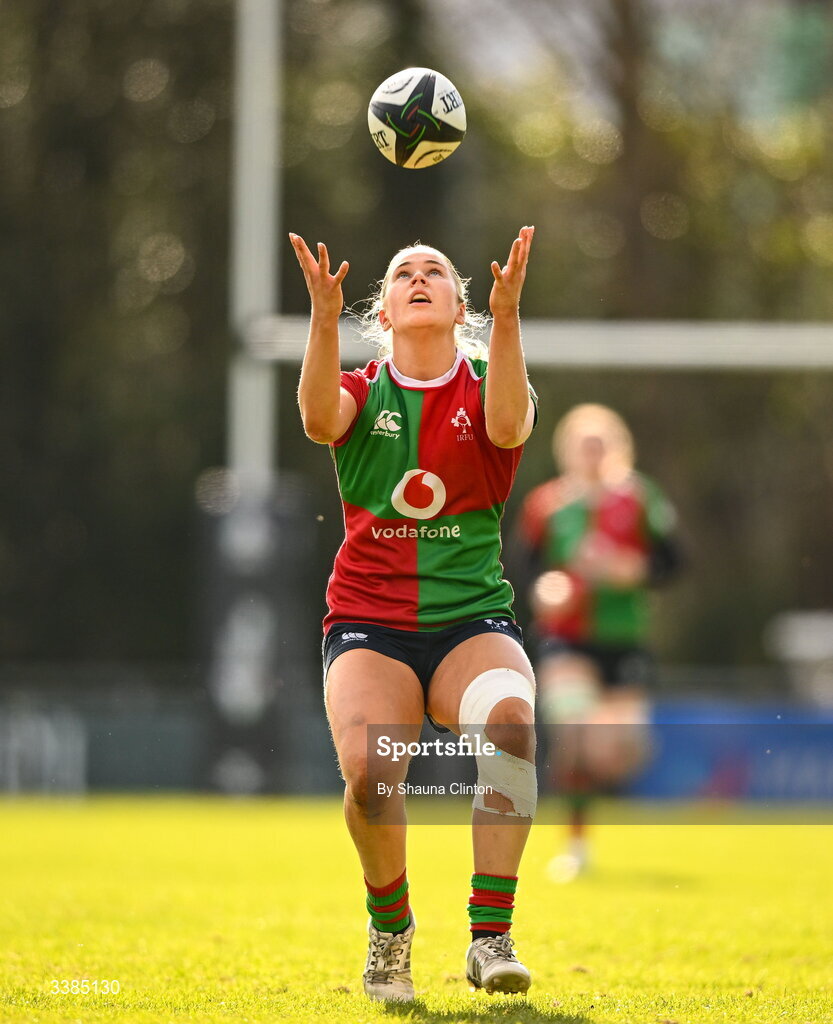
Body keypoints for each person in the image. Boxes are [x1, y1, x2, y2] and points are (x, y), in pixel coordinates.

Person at [289, 227, 538, 1001]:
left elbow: (505, 427)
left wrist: (505, 318)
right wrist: (323, 319)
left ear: (459, 304)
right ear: (386, 308)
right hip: (371, 621)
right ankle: (389, 933)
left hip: (470, 621)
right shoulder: (363, 390)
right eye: (404, 274)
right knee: (368, 773)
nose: (419, 277)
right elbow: (315, 421)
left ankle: (488, 936)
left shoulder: (490, 377)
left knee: (510, 728)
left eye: (435, 271)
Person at [513, 404, 682, 882]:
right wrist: (545, 589)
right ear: (565, 451)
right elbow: (524, 568)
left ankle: (595, 790)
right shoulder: (548, 505)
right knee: (575, 732)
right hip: (568, 641)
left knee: (619, 753)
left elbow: (675, 561)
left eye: (600, 443)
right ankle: (576, 844)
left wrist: (637, 570)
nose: (592, 453)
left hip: (624, 642)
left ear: (617, 446)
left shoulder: (640, 498)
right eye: (582, 444)